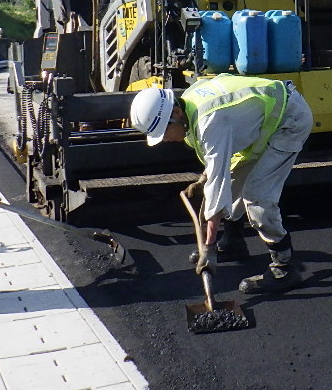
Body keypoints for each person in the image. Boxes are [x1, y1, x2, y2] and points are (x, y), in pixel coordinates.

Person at [130, 74, 312, 293]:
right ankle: (234, 242)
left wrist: (208, 247)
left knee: (257, 197)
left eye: (164, 132)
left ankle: (284, 267)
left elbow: (218, 182)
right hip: (264, 124)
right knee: (232, 183)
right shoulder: (189, 107)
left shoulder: (210, 120)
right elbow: (217, 159)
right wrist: (204, 177)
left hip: (288, 120)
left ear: (176, 113)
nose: (164, 139)